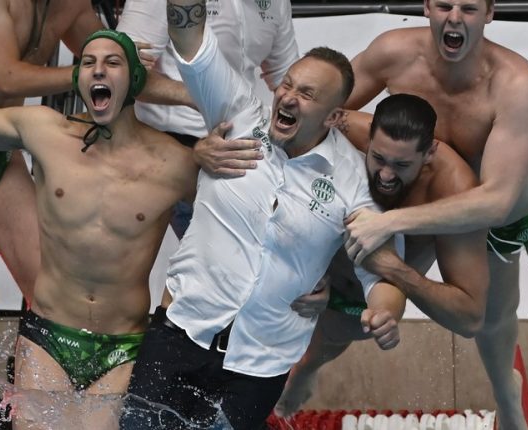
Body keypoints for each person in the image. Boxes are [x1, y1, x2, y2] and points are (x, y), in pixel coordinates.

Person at [342, 1, 528, 428]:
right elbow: (324, 111)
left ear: (489, 14)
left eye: (469, 8)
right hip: (461, 223)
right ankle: (508, 399)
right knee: (488, 321)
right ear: (427, 6)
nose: (454, 17)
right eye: (444, 5)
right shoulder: (391, 53)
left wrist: (389, 221)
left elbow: (498, 201)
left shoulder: (515, 81)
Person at [0, 0, 201, 426]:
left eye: (112, 64)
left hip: (123, 345)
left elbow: (241, 218)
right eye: (87, 63)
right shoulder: (47, 133)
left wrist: (199, 97)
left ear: (134, 80)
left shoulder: (177, 163)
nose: (98, 70)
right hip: (46, 337)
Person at [117, 1, 411, 427]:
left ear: (332, 116)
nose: (287, 97)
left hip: (259, 367)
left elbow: (382, 274)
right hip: (181, 334)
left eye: (306, 94)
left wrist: (385, 313)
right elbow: (190, 40)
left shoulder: (352, 181)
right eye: (287, 85)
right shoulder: (237, 114)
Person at [276, 94, 490, 417]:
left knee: (335, 336)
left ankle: (308, 366)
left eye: (402, 166)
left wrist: (395, 269)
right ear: (369, 138)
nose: (386, 176)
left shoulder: (453, 190)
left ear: (429, 153)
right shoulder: (339, 129)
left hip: (370, 301)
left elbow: (469, 319)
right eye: (378, 159)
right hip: (320, 272)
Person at [117, 0, 299, 238]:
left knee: (266, 242)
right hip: (163, 143)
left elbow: (288, 77)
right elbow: (121, 71)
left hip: (235, 141)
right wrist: (200, 95)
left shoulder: (277, 3)